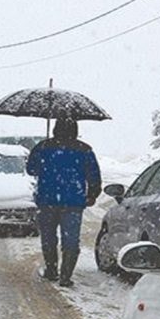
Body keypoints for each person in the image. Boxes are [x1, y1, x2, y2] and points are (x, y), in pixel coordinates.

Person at [26, 119, 101, 287]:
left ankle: (51, 270)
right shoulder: (84, 149)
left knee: (48, 237)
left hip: (47, 200)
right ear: (75, 130)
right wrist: (92, 194)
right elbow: (93, 175)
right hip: (74, 201)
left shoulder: (43, 147)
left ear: (55, 129)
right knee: (71, 239)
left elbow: (30, 169)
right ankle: (66, 276)